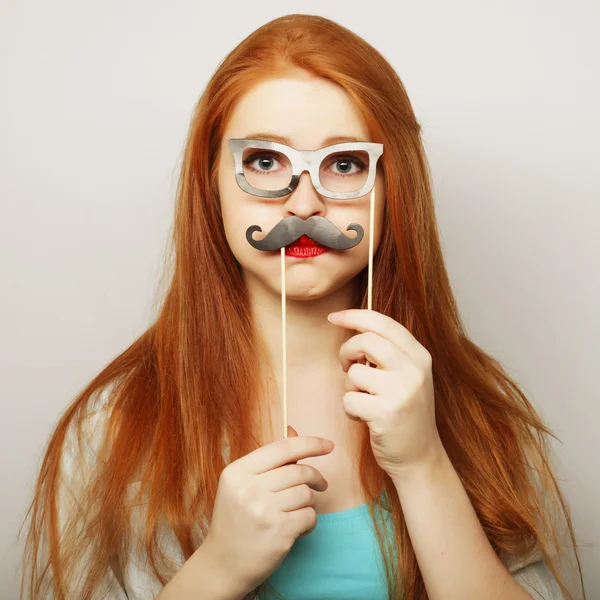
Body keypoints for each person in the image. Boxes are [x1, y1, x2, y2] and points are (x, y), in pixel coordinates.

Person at [19, 13, 586, 600]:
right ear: (210, 180)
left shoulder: (475, 408)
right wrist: (218, 568)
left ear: (394, 187)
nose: (306, 201)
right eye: (266, 162)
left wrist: (425, 465)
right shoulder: (115, 426)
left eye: (344, 165)